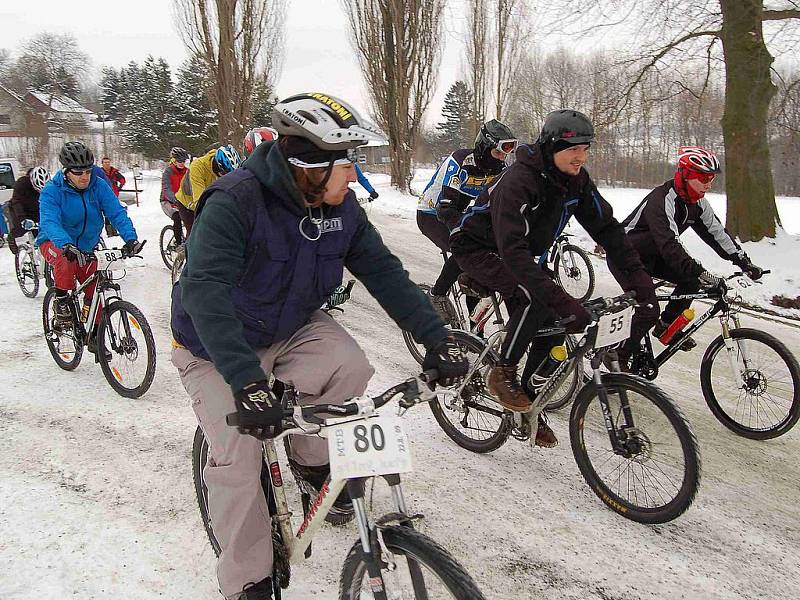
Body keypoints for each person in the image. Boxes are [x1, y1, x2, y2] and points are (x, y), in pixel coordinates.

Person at [170, 92, 468, 600]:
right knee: (240, 459)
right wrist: (247, 384)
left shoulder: (340, 207)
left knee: (350, 366)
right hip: (214, 344)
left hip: (290, 325)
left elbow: (383, 272)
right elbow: (205, 295)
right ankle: (248, 582)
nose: (353, 176)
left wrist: (435, 338)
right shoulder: (234, 202)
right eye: (345, 163)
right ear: (306, 167)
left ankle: (310, 460)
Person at [450, 109, 658, 446]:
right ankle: (503, 373)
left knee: (554, 323)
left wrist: (639, 279)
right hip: (479, 248)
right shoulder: (519, 180)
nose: (581, 156)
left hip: (518, 252)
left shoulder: (576, 180)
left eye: (586, 149)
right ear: (551, 147)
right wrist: (562, 300)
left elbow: (607, 228)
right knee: (538, 298)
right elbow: (513, 251)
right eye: (573, 149)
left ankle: (529, 404)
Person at [611, 146, 765, 353]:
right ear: (685, 175)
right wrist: (699, 270)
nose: (708, 185)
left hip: (653, 256)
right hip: (626, 257)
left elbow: (717, 233)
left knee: (691, 281)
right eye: (703, 179)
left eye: (711, 179)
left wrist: (743, 262)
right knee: (649, 309)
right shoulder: (662, 199)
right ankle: (618, 354)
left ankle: (666, 327)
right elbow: (669, 244)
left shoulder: (697, 202)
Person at [37, 141, 143, 353]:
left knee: (96, 287)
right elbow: (50, 222)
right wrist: (65, 243)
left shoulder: (98, 185)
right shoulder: (52, 191)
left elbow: (116, 212)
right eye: (78, 172)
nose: (85, 176)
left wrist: (130, 239)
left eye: (87, 171)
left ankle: (95, 335)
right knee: (65, 261)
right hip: (54, 241)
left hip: (86, 245)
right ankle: (61, 300)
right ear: (66, 172)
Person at [416, 119, 517, 321]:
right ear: (484, 147)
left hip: (460, 211)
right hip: (431, 214)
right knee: (465, 250)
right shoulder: (460, 161)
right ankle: (437, 294)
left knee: (479, 266)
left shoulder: (498, 168)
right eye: (498, 153)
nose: (501, 159)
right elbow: (445, 209)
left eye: (505, 154)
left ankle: (474, 330)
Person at [175, 144, 241, 236]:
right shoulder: (198, 166)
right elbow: (199, 201)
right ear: (217, 165)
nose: (225, 178)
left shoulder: (221, 170)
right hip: (187, 204)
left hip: (207, 200)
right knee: (194, 236)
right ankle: (187, 248)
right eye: (223, 174)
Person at [6, 166, 48, 254]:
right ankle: (11, 237)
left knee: (43, 234)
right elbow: (17, 202)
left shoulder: (50, 186)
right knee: (20, 228)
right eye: (37, 189)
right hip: (19, 209)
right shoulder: (22, 183)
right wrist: (23, 219)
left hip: (36, 210)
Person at [161, 147, 189, 245]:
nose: (182, 163)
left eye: (183, 161)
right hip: (167, 201)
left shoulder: (187, 171)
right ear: (173, 160)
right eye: (179, 161)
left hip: (183, 201)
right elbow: (166, 189)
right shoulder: (168, 172)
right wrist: (175, 199)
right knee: (177, 217)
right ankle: (178, 244)